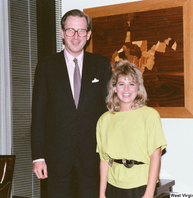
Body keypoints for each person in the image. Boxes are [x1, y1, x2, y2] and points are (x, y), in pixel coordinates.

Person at [31, 9, 112, 198]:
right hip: (56, 160)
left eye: (81, 31)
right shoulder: (46, 66)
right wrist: (38, 157)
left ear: (89, 34)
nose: (76, 36)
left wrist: (111, 153)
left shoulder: (101, 65)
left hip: (93, 159)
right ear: (62, 32)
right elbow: (39, 115)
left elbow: (110, 112)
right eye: (70, 30)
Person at [96, 60, 167, 198]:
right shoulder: (104, 120)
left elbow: (155, 157)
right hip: (113, 186)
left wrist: (148, 194)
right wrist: (101, 194)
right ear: (114, 88)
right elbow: (104, 160)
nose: (126, 89)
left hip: (141, 186)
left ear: (138, 88)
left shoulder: (150, 116)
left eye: (131, 84)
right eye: (121, 84)